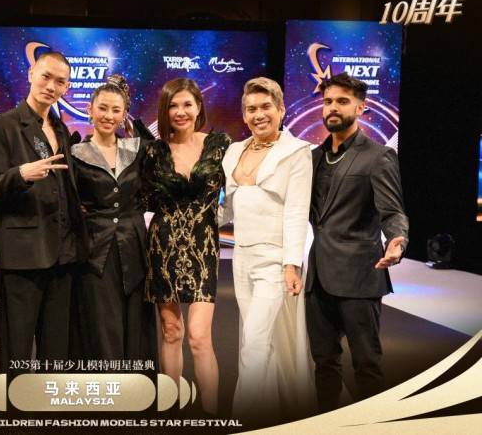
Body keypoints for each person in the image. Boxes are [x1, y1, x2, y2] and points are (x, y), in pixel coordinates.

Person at [305, 72, 409, 412]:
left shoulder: (378, 156)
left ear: (361, 108)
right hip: (318, 277)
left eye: (342, 101)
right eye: (328, 101)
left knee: (367, 364)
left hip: (360, 278)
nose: (332, 108)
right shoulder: (313, 158)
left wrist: (397, 240)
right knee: (324, 363)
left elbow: (392, 211)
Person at [0, 51, 88, 375]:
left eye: (60, 81)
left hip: (62, 255)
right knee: (16, 350)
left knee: (55, 353)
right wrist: (21, 174)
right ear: (31, 75)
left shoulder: (61, 128)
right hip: (24, 256)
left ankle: (48, 405)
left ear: (67, 88)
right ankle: (15, 405)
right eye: (45, 77)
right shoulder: (2, 126)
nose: (51, 86)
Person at [220, 77, 315, 423]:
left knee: (256, 343)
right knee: (257, 340)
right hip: (241, 258)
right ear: (244, 114)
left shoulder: (297, 152)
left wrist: (292, 264)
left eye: (265, 107)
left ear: (281, 109)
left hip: (275, 260)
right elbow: (226, 210)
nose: (258, 114)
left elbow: (297, 211)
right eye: (251, 109)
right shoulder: (234, 151)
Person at [142, 78, 231, 414]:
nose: (180, 112)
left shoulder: (220, 146)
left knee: (198, 336)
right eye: (173, 106)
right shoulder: (153, 151)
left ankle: (211, 414)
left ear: (198, 108)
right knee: (171, 331)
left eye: (187, 105)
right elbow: (139, 196)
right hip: (162, 246)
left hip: (203, 246)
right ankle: (171, 409)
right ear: (165, 111)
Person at [70, 75, 157, 363]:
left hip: (134, 246)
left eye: (116, 110)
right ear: (90, 109)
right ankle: (105, 385)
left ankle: (136, 385)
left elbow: (157, 174)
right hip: (94, 250)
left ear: (124, 114)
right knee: (100, 322)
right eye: (103, 108)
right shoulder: (75, 153)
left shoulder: (137, 149)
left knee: (135, 319)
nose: (108, 116)